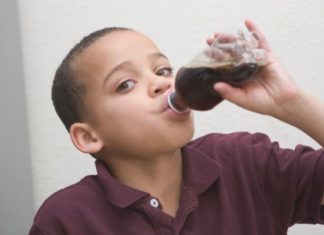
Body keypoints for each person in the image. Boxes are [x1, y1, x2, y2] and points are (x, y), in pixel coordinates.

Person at [29, 20, 324, 234]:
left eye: (162, 70)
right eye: (126, 84)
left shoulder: (244, 162)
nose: (161, 83)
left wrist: (292, 103)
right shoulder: (66, 219)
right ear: (88, 136)